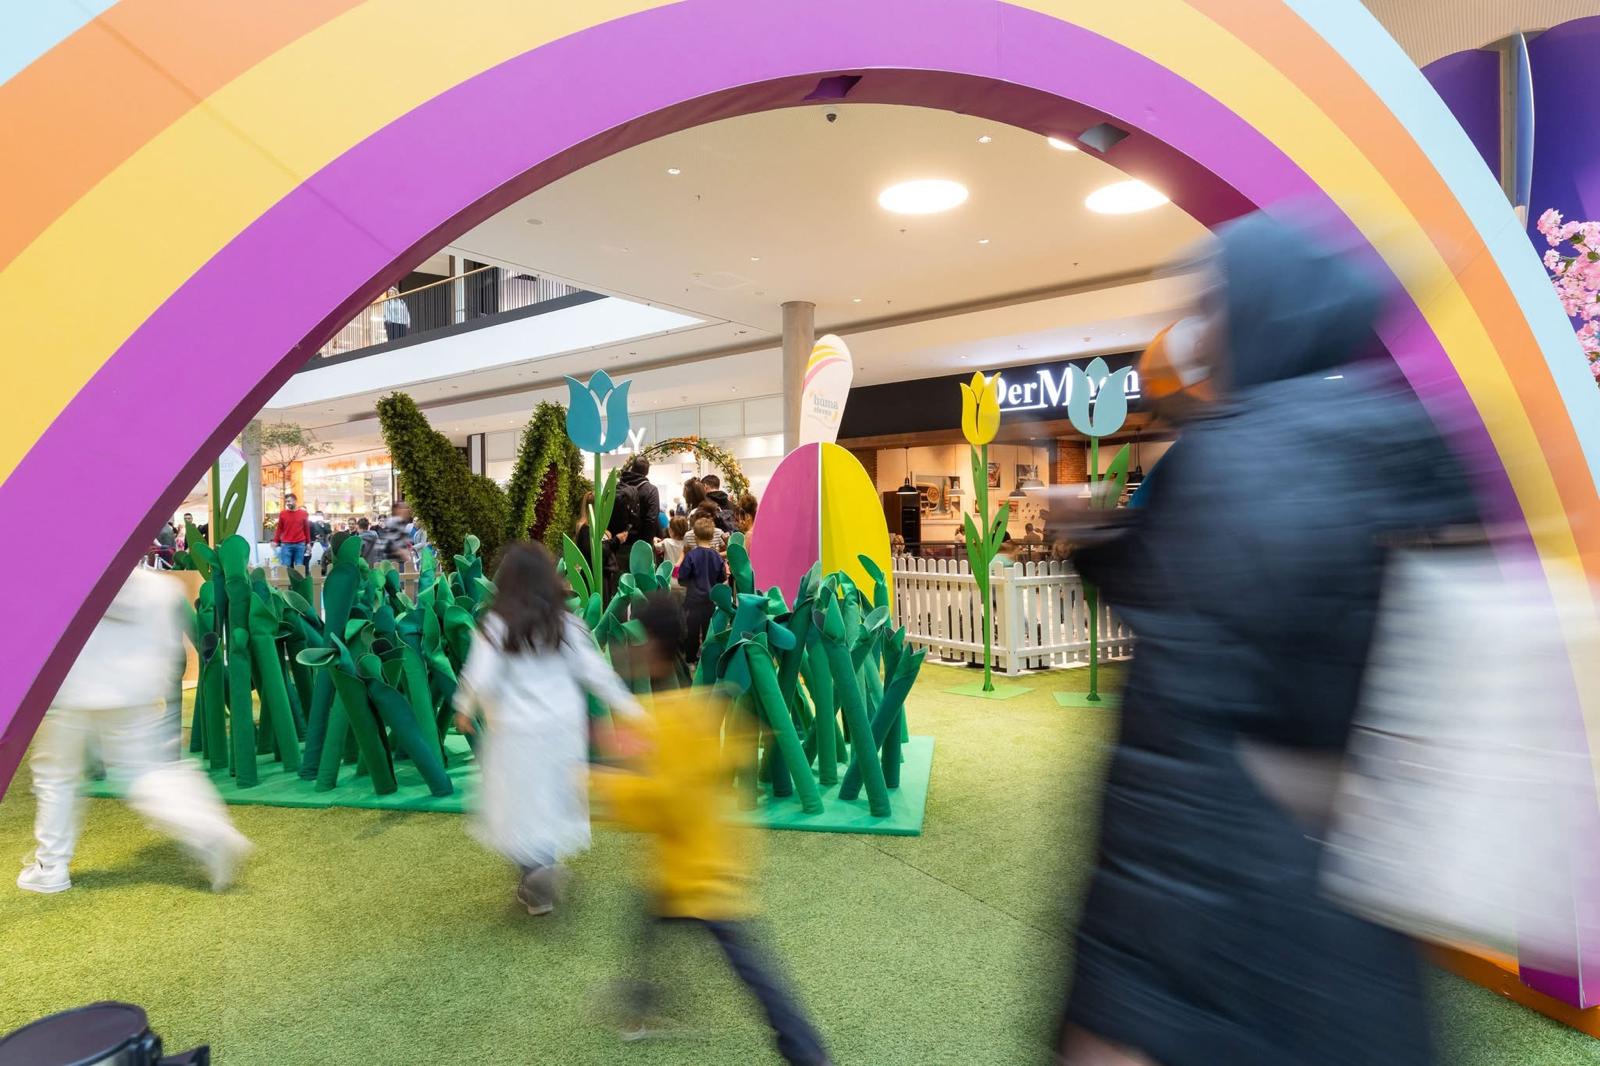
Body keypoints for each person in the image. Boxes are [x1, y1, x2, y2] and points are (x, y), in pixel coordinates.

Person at [1056, 215, 1476, 1066]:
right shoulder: (1415, 444)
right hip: (1361, 871)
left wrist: (1117, 994)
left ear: (1257, 313)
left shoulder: (1225, 457)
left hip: (1207, 876)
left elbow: (1175, 679)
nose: (1203, 331)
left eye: (1214, 306)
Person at [594, 595, 832, 1066]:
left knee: (754, 971)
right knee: (648, 926)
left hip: (699, 876)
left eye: (635, 643)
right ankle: (638, 1007)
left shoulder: (662, 719)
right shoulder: (690, 710)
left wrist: (601, 783)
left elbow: (661, 802)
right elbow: (725, 760)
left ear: (650, 648)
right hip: (690, 867)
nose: (628, 652)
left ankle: (808, 1054)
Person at [19, 568, 252, 894]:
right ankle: (211, 832)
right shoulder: (157, 588)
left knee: (56, 775)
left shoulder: (61, 581)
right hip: (136, 692)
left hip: (72, 690)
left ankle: (50, 866)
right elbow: (169, 649)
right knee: (148, 773)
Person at [452, 543, 643, 915]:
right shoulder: (565, 624)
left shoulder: (497, 625)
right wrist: (631, 710)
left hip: (515, 731)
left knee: (520, 805)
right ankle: (543, 868)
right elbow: (596, 673)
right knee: (553, 799)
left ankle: (535, 876)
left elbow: (479, 674)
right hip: (562, 728)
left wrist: (464, 707)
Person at [677, 517, 726, 664]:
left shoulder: (691, 556)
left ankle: (691, 659)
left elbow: (682, 578)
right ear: (712, 535)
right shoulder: (717, 556)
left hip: (693, 601)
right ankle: (707, 660)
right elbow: (722, 578)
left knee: (691, 632)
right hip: (710, 601)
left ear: (695, 535)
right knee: (708, 632)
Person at [273, 493, 311, 574]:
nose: (287, 503)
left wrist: (308, 543)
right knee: (285, 567)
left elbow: (306, 529)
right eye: (286, 502)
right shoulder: (283, 514)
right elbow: (279, 529)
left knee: (299, 567)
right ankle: (287, 582)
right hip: (286, 544)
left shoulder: (304, 514)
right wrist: (275, 541)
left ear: (295, 501)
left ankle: (298, 582)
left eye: (289, 501)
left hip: (300, 544)